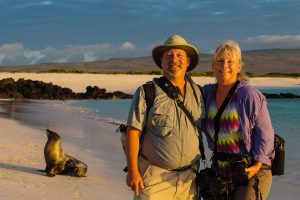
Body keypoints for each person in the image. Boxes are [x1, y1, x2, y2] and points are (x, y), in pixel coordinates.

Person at [125, 35, 204, 200]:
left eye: (179, 55)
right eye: (169, 55)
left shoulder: (199, 93)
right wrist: (133, 171)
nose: (174, 59)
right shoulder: (147, 92)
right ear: (161, 61)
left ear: (188, 61)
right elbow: (132, 133)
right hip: (154, 179)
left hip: (189, 180)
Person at [202, 40, 274, 200]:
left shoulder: (248, 94)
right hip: (220, 171)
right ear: (213, 65)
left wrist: (257, 165)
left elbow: (266, 133)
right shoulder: (208, 94)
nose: (225, 65)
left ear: (239, 66)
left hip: (251, 169)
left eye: (230, 61)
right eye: (220, 61)